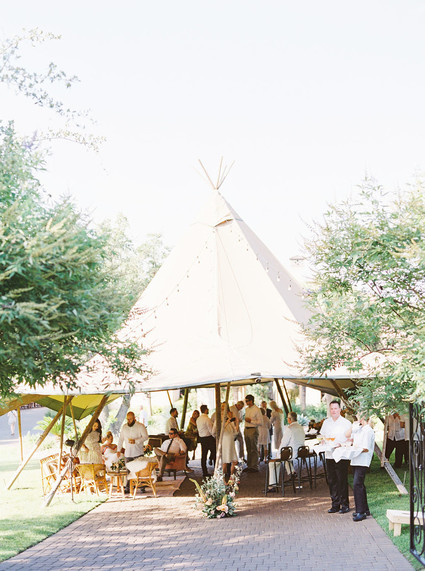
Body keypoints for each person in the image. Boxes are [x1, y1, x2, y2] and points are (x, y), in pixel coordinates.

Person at [320, 400, 352, 514]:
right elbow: (323, 436)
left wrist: (341, 444)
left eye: (335, 408)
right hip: (329, 455)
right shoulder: (326, 422)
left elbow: (350, 439)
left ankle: (345, 505)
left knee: (341, 480)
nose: (333, 411)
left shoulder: (346, 423)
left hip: (341, 455)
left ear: (340, 409)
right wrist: (323, 442)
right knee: (332, 480)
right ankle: (335, 504)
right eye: (332, 409)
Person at [346, 416, 375, 521]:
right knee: (360, 485)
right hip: (355, 460)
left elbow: (366, 448)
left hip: (362, 461)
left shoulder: (368, 430)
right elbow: (348, 436)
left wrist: (353, 450)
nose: (357, 415)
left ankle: (360, 512)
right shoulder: (358, 428)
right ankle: (365, 509)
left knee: (357, 484)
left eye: (359, 414)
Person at [243, 394, 262, 472]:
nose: (246, 402)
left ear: (251, 401)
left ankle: (254, 466)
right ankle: (249, 465)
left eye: (247, 401)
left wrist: (251, 421)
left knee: (253, 448)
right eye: (245, 401)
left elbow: (260, 422)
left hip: (253, 429)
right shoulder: (247, 409)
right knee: (248, 448)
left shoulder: (257, 409)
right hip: (246, 429)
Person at [196, 404, 216, 477]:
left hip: (202, 438)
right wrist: (215, 437)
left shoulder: (198, 419)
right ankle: (216, 470)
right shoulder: (207, 419)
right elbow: (211, 430)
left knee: (204, 455)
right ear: (206, 410)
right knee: (214, 453)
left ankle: (204, 471)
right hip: (208, 438)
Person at [221, 409, 238, 479]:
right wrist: (227, 422)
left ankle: (231, 476)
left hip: (231, 443)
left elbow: (236, 432)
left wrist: (236, 422)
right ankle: (223, 478)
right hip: (225, 442)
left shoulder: (230, 422)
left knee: (235, 461)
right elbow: (219, 431)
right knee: (225, 461)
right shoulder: (220, 422)